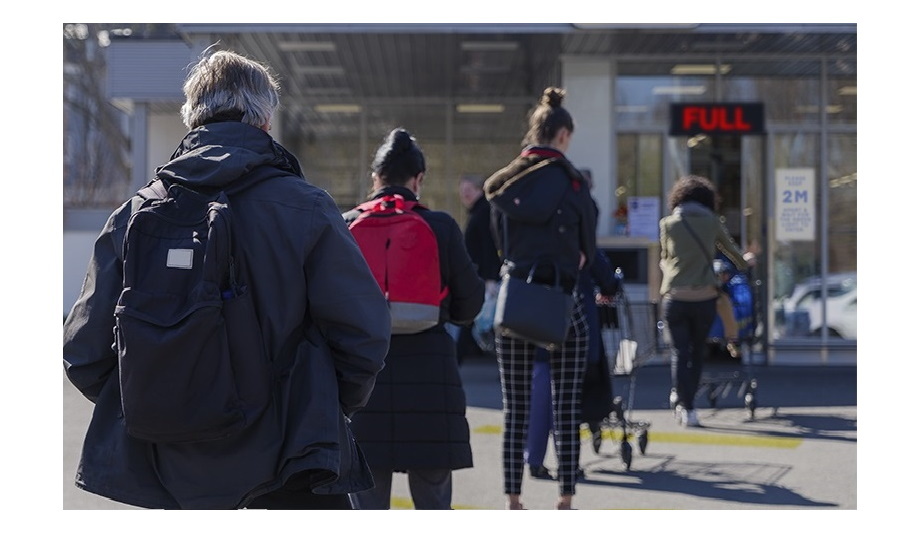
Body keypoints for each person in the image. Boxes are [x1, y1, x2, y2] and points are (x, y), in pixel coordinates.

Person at [62, 49, 391, 509]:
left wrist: (159, 401)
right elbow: (364, 335)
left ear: (191, 119)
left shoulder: (135, 214)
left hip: (169, 470)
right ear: (265, 121)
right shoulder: (306, 208)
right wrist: (321, 406)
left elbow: (82, 352)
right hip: (289, 462)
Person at [345, 128, 485, 510]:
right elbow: (471, 304)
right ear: (418, 179)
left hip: (363, 381)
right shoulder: (441, 227)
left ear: (376, 176)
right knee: (433, 502)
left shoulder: (345, 225)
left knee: (367, 505)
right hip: (431, 385)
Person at [484, 87, 597, 510]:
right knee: (566, 405)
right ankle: (565, 498)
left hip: (515, 301)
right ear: (563, 134)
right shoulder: (572, 182)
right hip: (562, 302)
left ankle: (513, 499)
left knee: (515, 407)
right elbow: (589, 249)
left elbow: (498, 242)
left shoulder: (508, 181)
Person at [659, 175, 754, 428]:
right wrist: (747, 262)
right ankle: (690, 408)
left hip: (675, 297)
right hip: (704, 298)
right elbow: (732, 253)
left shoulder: (668, 224)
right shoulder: (712, 222)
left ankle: (683, 402)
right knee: (697, 352)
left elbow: (665, 259)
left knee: (679, 352)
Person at [456, 173, 502, 362]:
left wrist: (490, 277)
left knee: (474, 320)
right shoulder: (480, 211)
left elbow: (488, 247)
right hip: (480, 276)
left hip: (483, 277)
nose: (465, 195)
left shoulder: (483, 212)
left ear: (479, 190)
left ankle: (457, 358)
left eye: (469, 190)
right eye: (462, 191)